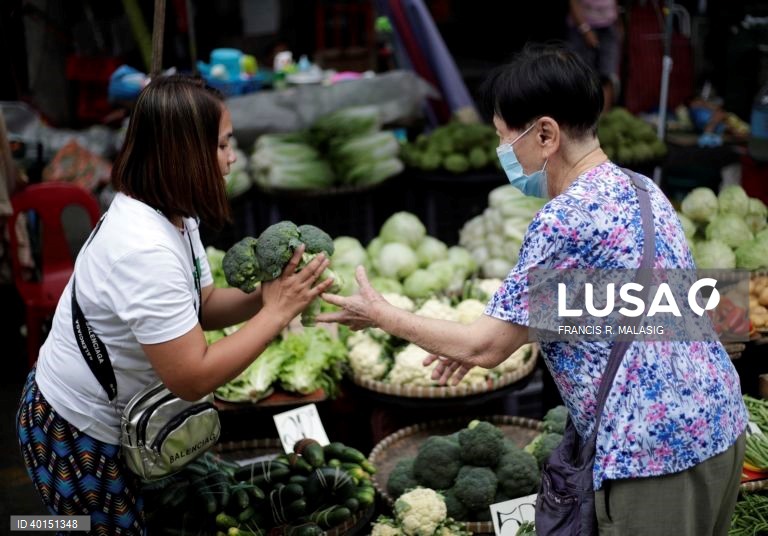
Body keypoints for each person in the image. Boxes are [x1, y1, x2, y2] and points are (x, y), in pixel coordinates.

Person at [317, 45, 747, 536]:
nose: (503, 155)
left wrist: (381, 315)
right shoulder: (643, 190)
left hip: (653, 456)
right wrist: (509, 333)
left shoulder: (563, 219)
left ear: (545, 133)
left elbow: (484, 346)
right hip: (719, 429)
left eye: (505, 139)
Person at [15, 75, 333, 535]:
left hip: (117, 418)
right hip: (76, 433)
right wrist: (276, 313)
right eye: (223, 145)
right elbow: (192, 376)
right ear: (186, 153)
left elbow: (202, 305)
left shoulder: (174, 214)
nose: (231, 158)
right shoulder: (144, 249)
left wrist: (269, 293)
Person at [566, 0, 621, 111]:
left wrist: (618, 23)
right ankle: (581, 118)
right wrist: (584, 29)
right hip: (582, 27)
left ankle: (603, 121)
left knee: (608, 76)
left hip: (609, 24)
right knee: (581, 77)